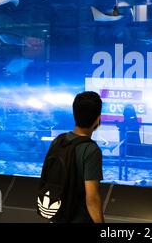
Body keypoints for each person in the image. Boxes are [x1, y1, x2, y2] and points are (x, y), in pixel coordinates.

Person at [53, 91, 105, 223]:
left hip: (57, 215)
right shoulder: (91, 150)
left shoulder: (59, 140)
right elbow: (92, 199)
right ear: (98, 119)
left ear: (75, 114)